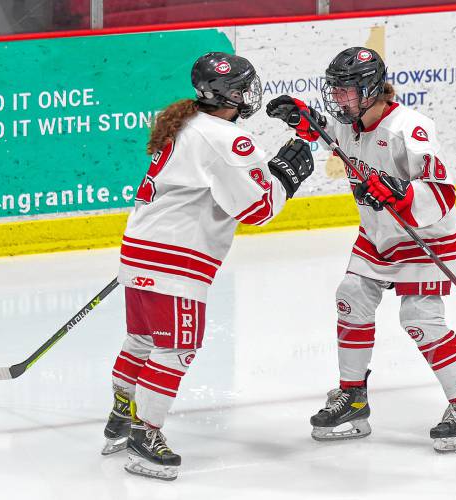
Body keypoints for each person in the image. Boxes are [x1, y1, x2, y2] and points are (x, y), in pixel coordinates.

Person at [102, 52, 314, 480]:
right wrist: (287, 177)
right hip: (176, 259)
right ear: (232, 94)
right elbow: (257, 209)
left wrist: (272, 172)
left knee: (142, 339)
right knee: (177, 348)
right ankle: (145, 437)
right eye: (245, 86)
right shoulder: (226, 138)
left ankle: (121, 418)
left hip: (140, 248)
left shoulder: (184, 122)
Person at [266, 47, 456, 453]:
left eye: (345, 91)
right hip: (379, 235)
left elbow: (443, 193)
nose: (338, 100)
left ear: (370, 90)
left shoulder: (410, 127)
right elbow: (326, 130)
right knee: (351, 297)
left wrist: (400, 191)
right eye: (334, 92)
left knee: (420, 319)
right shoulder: (350, 123)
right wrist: (303, 118)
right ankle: (352, 398)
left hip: (425, 236)